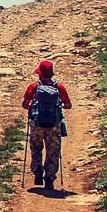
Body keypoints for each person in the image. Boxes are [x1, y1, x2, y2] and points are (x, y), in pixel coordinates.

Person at [22, 59, 72, 192]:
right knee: (53, 151)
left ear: (40, 73)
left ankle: (38, 170)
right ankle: (49, 178)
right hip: (53, 125)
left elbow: (24, 104)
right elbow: (68, 105)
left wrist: (33, 107)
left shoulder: (34, 87)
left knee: (36, 148)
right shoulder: (59, 87)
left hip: (37, 123)